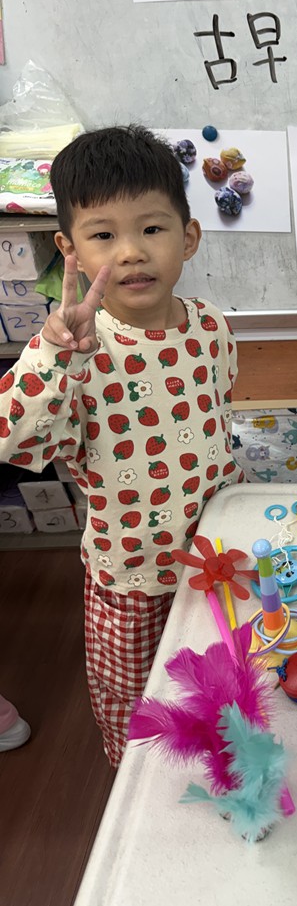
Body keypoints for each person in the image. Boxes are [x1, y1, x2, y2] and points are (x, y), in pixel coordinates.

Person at [0, 125, 245, 764]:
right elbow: (11, 436)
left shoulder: (212, 327)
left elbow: (217, 416)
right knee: (140, 712)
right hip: (132, 578)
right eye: (104, 235)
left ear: (188, 236)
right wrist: (54, 355)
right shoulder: (74, 351)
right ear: (69, 250)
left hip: (216, 563)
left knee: (224, 689)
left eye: (152, 228)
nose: (132, 252)